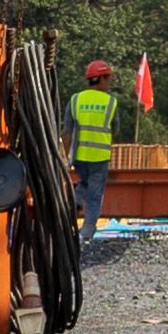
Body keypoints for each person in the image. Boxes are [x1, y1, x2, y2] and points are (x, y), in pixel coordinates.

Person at [64, 64, 117, 238]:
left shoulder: (75, 100)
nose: (109, 82)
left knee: (84, 183)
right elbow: (115, 128)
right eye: (108, 78)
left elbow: (67, 132)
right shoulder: (110, 102)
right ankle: (87, 231)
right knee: (95, 195)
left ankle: (76, 201)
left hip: (79, 157)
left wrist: (64, 158)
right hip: (99, 157)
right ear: (100, 79)